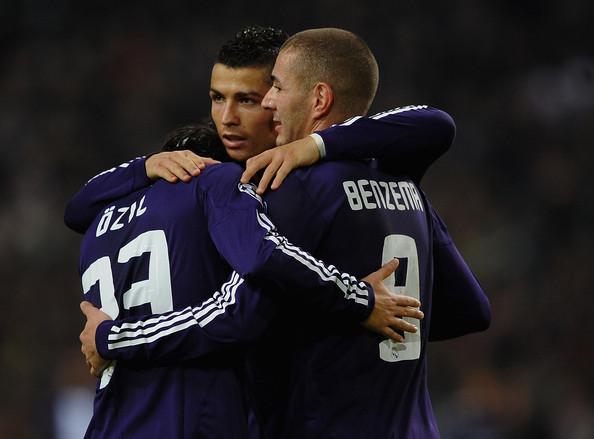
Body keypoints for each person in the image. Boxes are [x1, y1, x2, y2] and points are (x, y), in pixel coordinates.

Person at [68, 27, 489, 438]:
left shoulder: (285, 189)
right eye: (217, 98)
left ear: (318, 98)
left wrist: (113, 337)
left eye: (263, 94)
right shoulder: (406, 185)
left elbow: (238, 315)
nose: (234, 116)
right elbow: (470, 309)